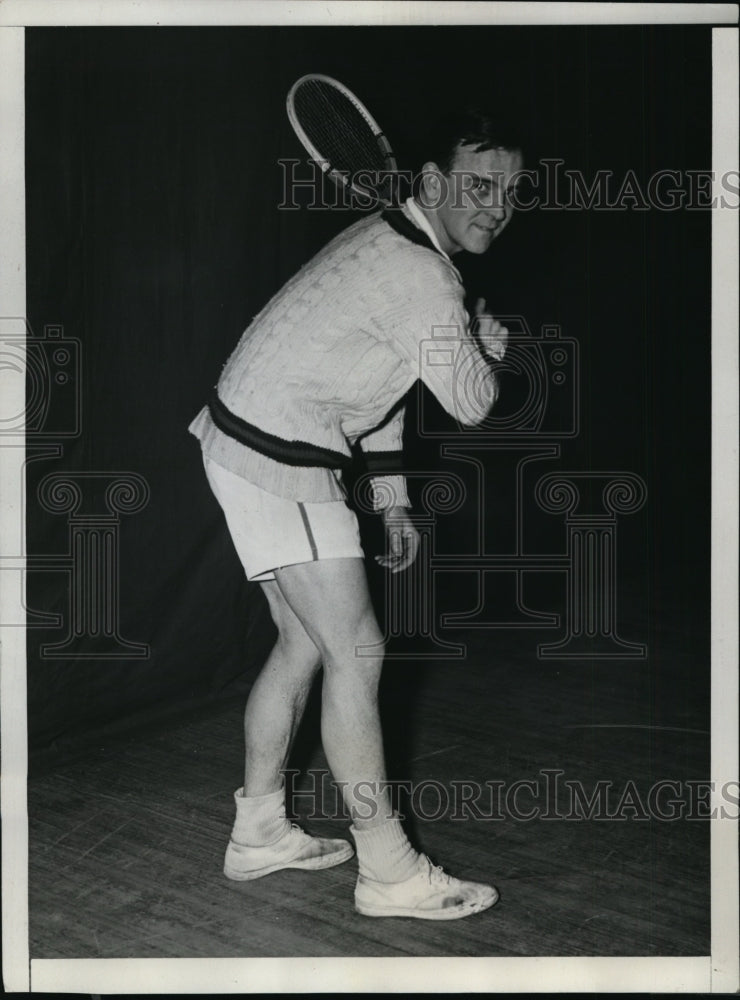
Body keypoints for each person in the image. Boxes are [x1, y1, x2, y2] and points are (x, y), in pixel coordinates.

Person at [189, 109, 523, 920]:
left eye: (512, 191)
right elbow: (472, 404)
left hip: (238, 435)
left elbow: (377, 388)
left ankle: (261, 830)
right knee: (358, 649)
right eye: (479, 184)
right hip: (278, 455)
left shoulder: (390, 236)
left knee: (307, 640)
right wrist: (490, 347)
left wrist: (392, 500)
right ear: (433, 184)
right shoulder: (425, 278)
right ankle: (389, 871)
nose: (497, 206)